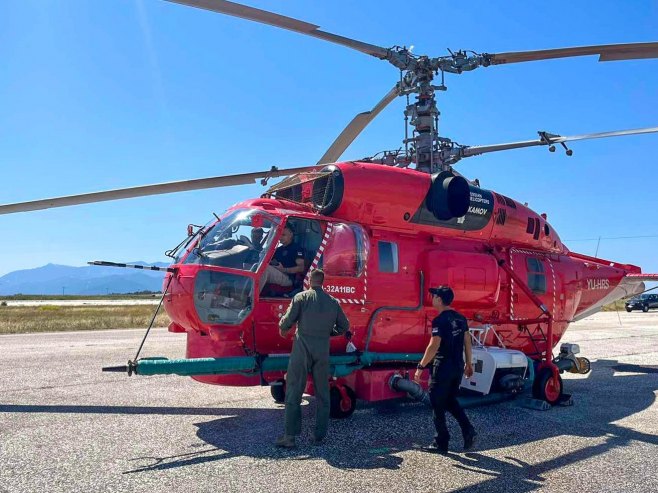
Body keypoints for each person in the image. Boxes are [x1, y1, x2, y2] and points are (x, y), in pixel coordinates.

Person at [275, 269, 351, 448]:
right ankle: (319, 435)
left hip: (302, 348)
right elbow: (345, 326)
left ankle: (290, 437)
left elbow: (288, 321)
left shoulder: (301, 297)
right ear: (323, 282)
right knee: (323, 393)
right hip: (322, 349)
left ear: (310, 281)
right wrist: (329, 333)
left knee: (294, 391)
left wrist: (282, 327)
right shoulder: (333, 302)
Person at [414, 285, 477, 453]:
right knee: (450, 400)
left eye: (434, 296)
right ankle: (468, 429)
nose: (432, 298)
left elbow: (434, 346)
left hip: (442, 367)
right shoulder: (461, 319)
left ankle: (441, 442)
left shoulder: (439, 321)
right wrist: (469, 363)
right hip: (457, 367)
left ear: (439, 300)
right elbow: (467, 341)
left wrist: (420, 367)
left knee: (437, 403)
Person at [260, 225, 305, 293]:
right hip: (278, 273)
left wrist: (284, 269)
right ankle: (244, 293)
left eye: (283, 235)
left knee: (265, 269)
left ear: (291, 235)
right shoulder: (278, 250)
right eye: (279, 235)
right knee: (256, 266)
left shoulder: (297, 249)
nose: (280, 237)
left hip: (288, 278)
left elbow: (301, 268)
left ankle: (251, 299)